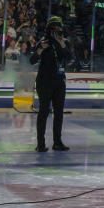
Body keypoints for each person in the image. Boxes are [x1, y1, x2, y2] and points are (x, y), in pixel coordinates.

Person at [30, 16, 71, 152]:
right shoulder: (43, 42)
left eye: (60, 29)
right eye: (57, 29)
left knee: (59, 112)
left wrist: (62, 44)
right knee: (44, 111)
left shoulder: (64, 42)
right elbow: (32, 60)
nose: (59, 31)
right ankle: (40, 144)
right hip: (44, 81)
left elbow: (70, 59)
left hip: (59, 81)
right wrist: (40, 49)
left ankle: (57, 142)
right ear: (51, 29)